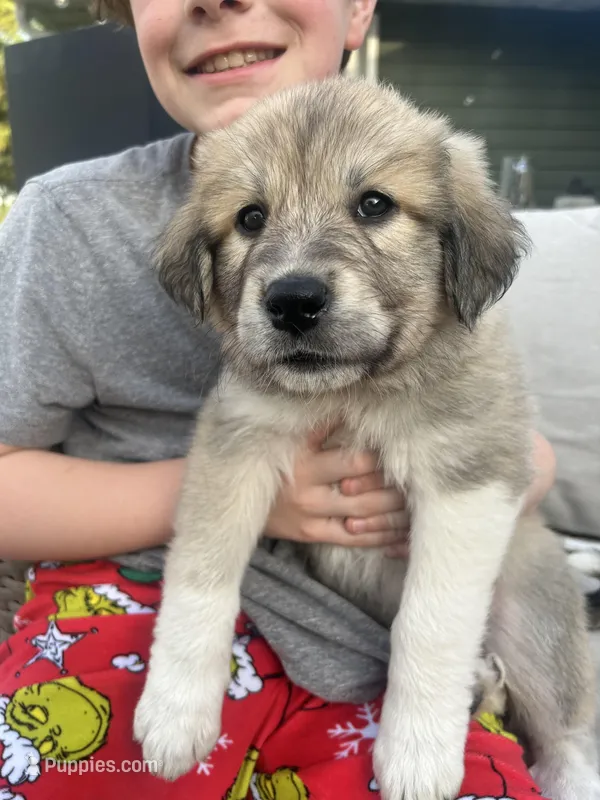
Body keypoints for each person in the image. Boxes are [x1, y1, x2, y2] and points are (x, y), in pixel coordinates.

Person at [0, 1, 557, 797]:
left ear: (359, 8)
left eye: (372, 207)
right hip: (131, 585)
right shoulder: (65, 222)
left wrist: (511, 467)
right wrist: (261, 498)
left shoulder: (437, 197)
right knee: (88, 766)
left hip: (366, 629)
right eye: (252, 220)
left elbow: (496, 451)